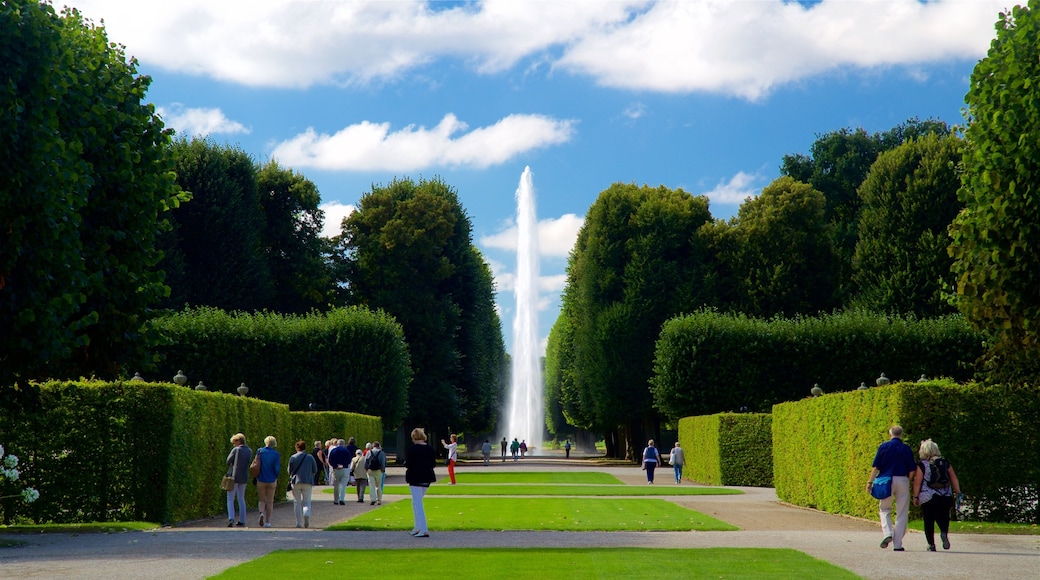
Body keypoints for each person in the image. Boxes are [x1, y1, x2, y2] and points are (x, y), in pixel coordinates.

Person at [866, 425, 917, 551]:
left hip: (886, 480)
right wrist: (907, 481)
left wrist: (869, 482)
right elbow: (912, 469)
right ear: (901, 435)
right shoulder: (906, 448)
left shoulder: (884, 446)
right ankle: (898, 544)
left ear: (890, 434)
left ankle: (887, 533)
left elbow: (876, 467)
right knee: (902, 513)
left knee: (884, 509)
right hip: (902, 479)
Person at [913, 439, 962, 551]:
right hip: (946, 495)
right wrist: (958, 491)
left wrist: (915, 497)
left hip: (928, 497)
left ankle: (931, 545)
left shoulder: (922, 464)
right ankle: (944, 532)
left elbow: (917, 482)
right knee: (944, 516)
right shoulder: (944, 462)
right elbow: (953, 477)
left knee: (928, 520)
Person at [405, 427, 437, 538]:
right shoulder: (430, 448)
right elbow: (433, 464)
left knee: (417, 503)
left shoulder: (413, 449)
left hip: (415, 478)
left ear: (414, 437)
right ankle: (417, 527)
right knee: (416, 502)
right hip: (427, 477)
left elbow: (408, 464)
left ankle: (423, 529)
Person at [289, 440, 318, 528]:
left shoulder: (293, 457)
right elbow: (315, 470)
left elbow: (289, 471)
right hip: (307, 481)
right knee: (307, 501)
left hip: (296, 482)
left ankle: (298, 523)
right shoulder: (310, 457)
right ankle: (306, 513)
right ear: (305, 447)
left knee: (297, 502)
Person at [225, 433, 251, 527]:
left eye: (234, 442)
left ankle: (231, 518)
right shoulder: (249, 451)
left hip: (234, 476)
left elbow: (228, 461)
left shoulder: (236, 450)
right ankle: (242, 520)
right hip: (244, 476)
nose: (233, 444)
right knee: (241, 498)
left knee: (230, 498)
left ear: (238, 441)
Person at [255, 435, 281, 528]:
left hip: (261, 478)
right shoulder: (276, 454)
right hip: (271, 479)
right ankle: (267, 522)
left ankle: (261, 513)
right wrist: (276, 476)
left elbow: (256, 463)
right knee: (270, 501)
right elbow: (277, 468)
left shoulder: (260, 451)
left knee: (262, 499)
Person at [328, 438, 351, 505]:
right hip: (344, 469)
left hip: (336, 469)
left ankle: (336, 500)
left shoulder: (333, 451)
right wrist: (343, 465)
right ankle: (342, 499)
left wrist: (335, 465)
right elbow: (349, 460)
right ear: (343, 444)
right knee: (343, 485)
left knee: (336, 485)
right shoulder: (346, 451)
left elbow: (330, 460)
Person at [368, 441, 386, 505]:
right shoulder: (381, 453)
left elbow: (366, 461)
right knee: (378, 486)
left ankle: (373, 499)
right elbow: (383, 462)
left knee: (371, 485)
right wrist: (383, 470)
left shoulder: (369, 452)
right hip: (378, 470)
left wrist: (366, 469)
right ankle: (379, 500)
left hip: (370, 470)